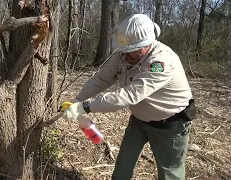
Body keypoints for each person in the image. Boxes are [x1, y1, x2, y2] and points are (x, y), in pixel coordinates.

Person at [61, 14, 197, 180]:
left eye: (129, 51)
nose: (124, 56)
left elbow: (128, 96)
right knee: (123, 166)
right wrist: (76, 101)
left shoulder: (160, 63)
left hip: (170, 124)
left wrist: (86, 106)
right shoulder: (123, 54)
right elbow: (101, 79)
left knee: (170, 173)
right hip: (140, 120)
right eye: (122, 50)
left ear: (144, 46)